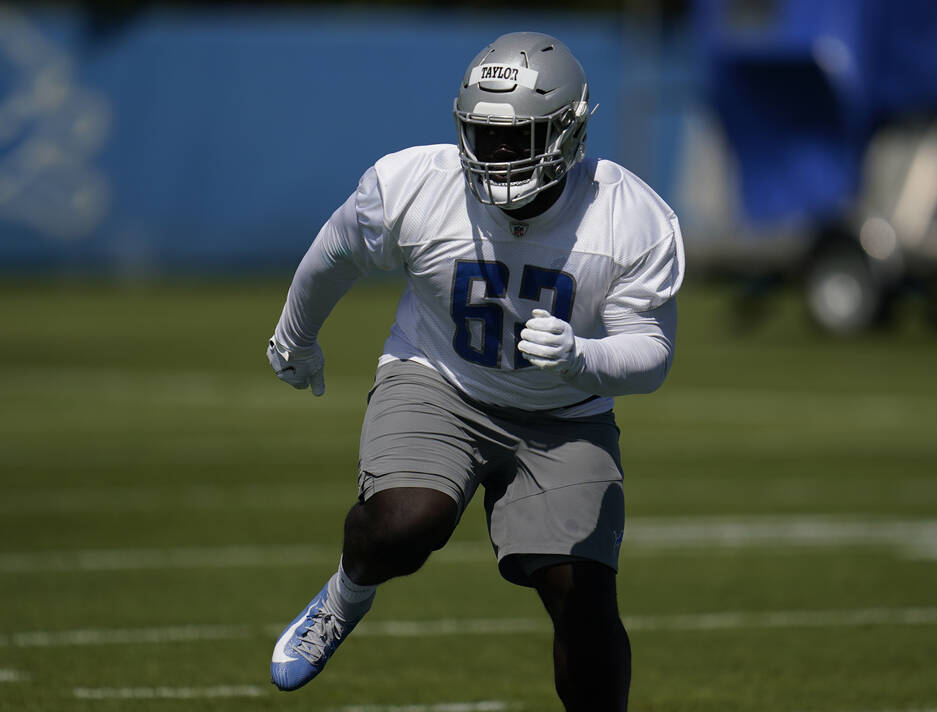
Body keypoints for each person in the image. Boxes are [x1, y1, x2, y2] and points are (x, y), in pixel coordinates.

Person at [266, 31, 683, 711]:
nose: (496, 157)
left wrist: (585, 357)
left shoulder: (629, 217)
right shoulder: (413, 185)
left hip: (565, 416)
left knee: (580, 590)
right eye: (484, 136)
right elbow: (334, 252)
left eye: (519, 137)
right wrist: (296, 338)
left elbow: (652, 354)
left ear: (570, 130)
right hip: (440, 382)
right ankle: (344, 597)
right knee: (406, 522)